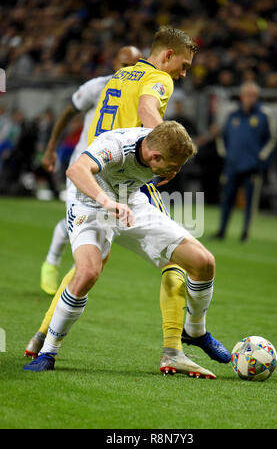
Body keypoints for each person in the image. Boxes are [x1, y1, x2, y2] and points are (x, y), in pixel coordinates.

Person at [25, 27, 230, 367]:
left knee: (87, 268)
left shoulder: (119, 75)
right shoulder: (160, 79)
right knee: (172, 265)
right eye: (183, 65)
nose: (183, 73)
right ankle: (174, 349)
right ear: (166, 55)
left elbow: (76, 112)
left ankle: (41, 336)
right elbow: (150, 108)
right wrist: (167, 145)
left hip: (110, 169)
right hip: (120, 173)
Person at [24, 121, 218, 378]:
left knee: (204, 262)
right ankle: (48, 352)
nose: (176, 171)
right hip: (90, 206)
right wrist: (106, 202)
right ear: (155, 156)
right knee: (88, 272)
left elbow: (156, 121)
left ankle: (194, 331)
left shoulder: (158, 141)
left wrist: (168, 168)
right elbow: (76, 169)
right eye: (173, 166)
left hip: (131, 202)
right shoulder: (115, 146)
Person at [40, 45, 142, 295]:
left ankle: (78, 276)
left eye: (134, 65)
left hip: (116, 170)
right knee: (81, 218)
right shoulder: (96, 87)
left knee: (100, 222)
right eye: (124, 63)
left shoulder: (142, 92)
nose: (128, 69)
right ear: (114, 62)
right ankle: (52, 264)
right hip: (84, 165)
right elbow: (68, 112)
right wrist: (51, 147)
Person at [215, 81, 277, 242]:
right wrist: (226, 155)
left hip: (252, 167)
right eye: (247, 95)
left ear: (257, 97)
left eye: (253, 95)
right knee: (227, 199)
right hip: (232, 165)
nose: (249, 98)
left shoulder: (264, 115)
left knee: (250, 202)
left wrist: (260, 158)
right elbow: (222, 137)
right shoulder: (233, 115)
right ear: (241, 96)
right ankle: (221, 231)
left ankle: (245, 234)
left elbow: (272, 139)